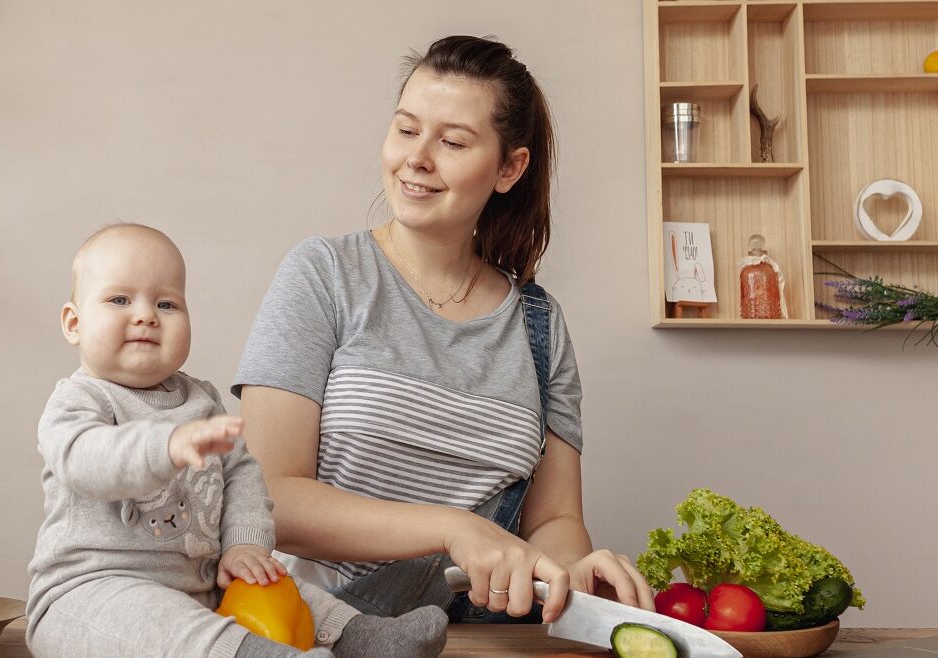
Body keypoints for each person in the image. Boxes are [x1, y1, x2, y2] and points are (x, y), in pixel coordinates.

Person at [232, 36, 656, 623]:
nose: (417, 158)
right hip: (321, 635)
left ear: (510, 168)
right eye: (406, 130)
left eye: (453, 141)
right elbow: (268, 497)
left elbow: (553, 521)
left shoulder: (540, 326)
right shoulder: (324, 275)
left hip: (484, 649)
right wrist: (451, 528)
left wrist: (572, 572)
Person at [25, 224, 448, 658]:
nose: (146, 316)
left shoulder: (200, 401)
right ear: (73, 323)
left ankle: (365, 637)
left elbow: (242, 474)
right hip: (91, 597)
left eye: (166, 304)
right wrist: (162, 448)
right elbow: (87, 461)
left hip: (202, 587)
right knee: (168, 631)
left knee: (281, 586)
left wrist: (245, 545)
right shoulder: (78, 401)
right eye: (120, 301)